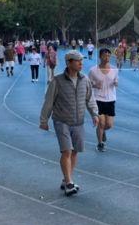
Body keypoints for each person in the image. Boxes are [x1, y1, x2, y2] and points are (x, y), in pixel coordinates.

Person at [39, 50, 98, 196]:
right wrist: (44, 120)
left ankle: (66, 179)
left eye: (81, 61)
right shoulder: (57, 81)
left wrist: (94, 114)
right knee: (66, 151)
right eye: (78, 61)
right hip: (61, 121)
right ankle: (70, 183)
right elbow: (49, 101)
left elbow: (90, 99)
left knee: (75, 152)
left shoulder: (85, 80)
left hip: (78, 122)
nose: (81, 64)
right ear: (69, 62)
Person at [88, 47, 119, 151]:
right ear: (100, 56)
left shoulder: (114, 70)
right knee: (101, 123)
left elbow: (116, 81)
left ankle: (102, 131)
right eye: (105, 55)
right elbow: (88, 84)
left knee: (109, 125)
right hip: (98, 99)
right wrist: (95, 85)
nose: (107, 57)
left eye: (109, 55)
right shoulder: (93, 71)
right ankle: (100, 143)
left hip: (110, 100)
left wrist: (116, 83)